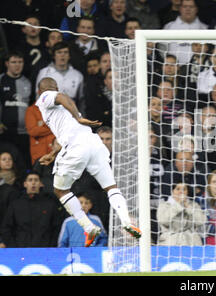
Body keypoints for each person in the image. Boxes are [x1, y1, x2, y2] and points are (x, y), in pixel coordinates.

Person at [35, 77, 141, 247]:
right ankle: (127, 221)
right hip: (93, 144)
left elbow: (61, 97)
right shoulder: (61, 111)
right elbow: (68, 133)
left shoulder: (45, 97)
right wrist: (54, 153)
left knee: (60, 190)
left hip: (77, 147)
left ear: (40, 91)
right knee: (111, 187)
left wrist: (77, 117)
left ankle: (88, 227)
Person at [1, 171, 62, 247]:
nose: (33, 183)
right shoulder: (15, 205)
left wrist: (50, 245)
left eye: (36, 180)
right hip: (20, 250)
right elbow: (6, 228)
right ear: (25, 184)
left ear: (41, 184)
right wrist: (13, 246)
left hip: (45, 250)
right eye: (30, 180)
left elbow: (57, 228)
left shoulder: (50, 205)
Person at [0, 51, 33, 168]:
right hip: (5, 133)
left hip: (24, 133)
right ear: (6, 64)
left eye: (20, 62)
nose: (17, 65)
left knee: (23, 163)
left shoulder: (28, 82)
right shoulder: (1, 80)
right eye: (14, 62)